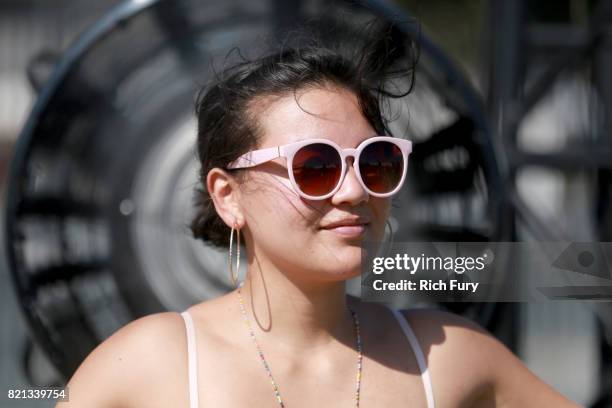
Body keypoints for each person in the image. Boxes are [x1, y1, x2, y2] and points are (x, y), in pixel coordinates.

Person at [57, 18, 579, 408]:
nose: (354, 191)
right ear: (227, 196)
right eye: (315, 167)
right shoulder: (151, 364)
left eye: (375, 162)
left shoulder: (447, 358)